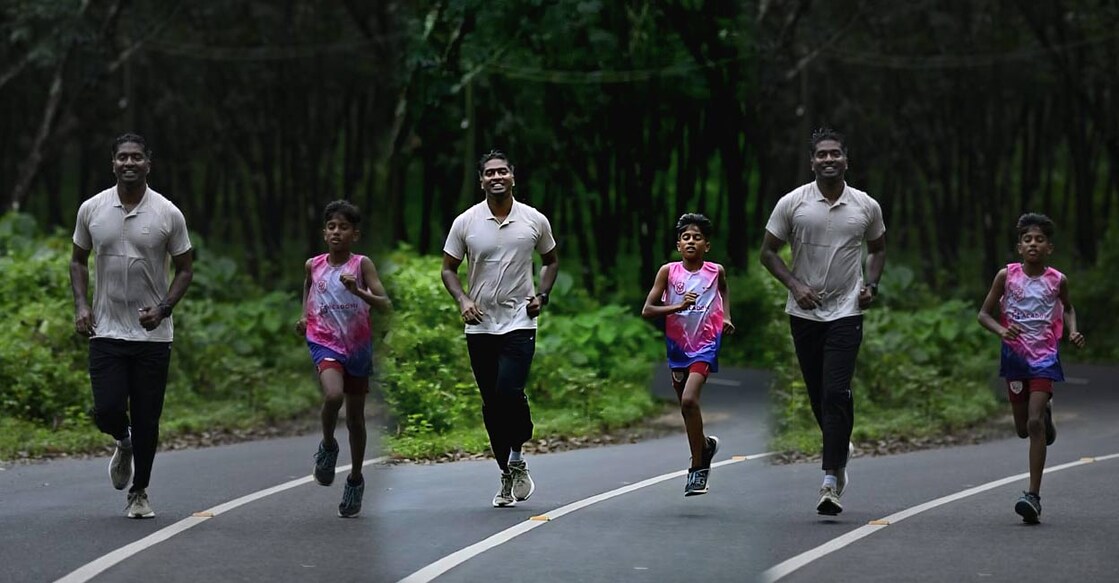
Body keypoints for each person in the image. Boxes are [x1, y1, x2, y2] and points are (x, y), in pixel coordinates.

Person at [760, 128, 886, 516]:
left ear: (846, 160)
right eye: (822, 155)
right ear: (812, 161)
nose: (829, 160)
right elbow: (767, 253)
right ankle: (839, 444)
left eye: (835, 154)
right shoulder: (793, 203)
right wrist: (795, 285)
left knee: (835, 390)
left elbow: (878, 249)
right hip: (804, 313)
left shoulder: (865, 206)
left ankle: (831, 478)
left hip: (847, 310)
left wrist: (873, 285)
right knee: (818, 394)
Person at [69, 133, 194, 518]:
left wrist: (164, 307)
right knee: (106, 408)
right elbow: (77, 260)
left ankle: (139, 492)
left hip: (152, 335)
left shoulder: (167, 213)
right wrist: (80, 305)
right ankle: (122, 442)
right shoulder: (92, 209)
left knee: (146, 416)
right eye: (122, 157)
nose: (129, 163)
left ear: (147, 164)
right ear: (113, 164)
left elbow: (186, 267)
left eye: (136, 157)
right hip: (105, 329)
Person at [441, 149, 559, 508]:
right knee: (491, 402)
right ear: (481, 180)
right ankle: (509, 470)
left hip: (520, 319)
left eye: (502, 172)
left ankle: (519, 446)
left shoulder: (534, 220)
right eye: (489, 173)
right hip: (480, 325)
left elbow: (550, 260)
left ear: (512, 177)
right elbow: (448, 269)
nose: (496, 177)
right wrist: (463, 300)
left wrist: (543, 294)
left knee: (509, 390)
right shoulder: (466, 222)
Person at [977, 212, 1084, 524]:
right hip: (1015, 359)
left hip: (1044, 358)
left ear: (1049, 248)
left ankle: (1032, 496)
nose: (1033, 244)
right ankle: (1044, 420)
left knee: (1033, 424)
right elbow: (983, 314)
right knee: (1024, 428)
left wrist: (1072, 329)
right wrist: (1000, 330)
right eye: (1028, 240)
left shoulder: (1057, 280)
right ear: (1019, 247)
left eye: (1039, 240)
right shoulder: (1006, 276)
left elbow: (1068, 307)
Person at [296, 199, 392, 518]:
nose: (337, 232)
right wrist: (304, 318)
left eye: (344, 227)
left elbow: (385, 304)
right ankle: (327, 446)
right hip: (324, 341)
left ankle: (355, 478)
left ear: (355, 234)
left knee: (355, 420)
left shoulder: (362, 265)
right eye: (332, 227)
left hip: (358, 347)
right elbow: (308, 287)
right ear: (325, 233)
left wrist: (358, 292)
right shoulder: (314, 264)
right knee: (333, 394)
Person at [641, 213, 734, 496]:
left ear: (706, 245)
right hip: (678, 347)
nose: (691, 241)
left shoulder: (715, 271)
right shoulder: (668, 272)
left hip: (706, 344)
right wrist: (677, 307)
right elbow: (648, 310)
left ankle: (698, 468)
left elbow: (723, 290)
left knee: (690, 400)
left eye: (697, 238)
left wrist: (726, 317)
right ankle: (704, 447)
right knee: (685, 406)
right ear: (678, 245)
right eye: (686, 237)